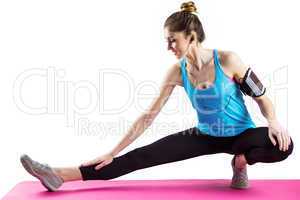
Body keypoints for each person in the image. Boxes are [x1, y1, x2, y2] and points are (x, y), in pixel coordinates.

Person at [20, 1, 293, 192]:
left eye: (173, 39)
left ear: (192, 36)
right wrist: (113, 152)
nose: (168, 46)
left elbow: (262, 97)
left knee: (284, 144)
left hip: (241, 135)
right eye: (167, 40)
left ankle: (241, 162)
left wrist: (274, 121)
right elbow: (148, 116)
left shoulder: (228, 60)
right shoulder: (177, 72)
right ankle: (59, 175)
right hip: (204, 135)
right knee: (141, 157)